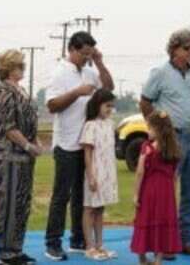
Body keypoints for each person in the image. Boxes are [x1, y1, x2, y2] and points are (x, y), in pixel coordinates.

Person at [45, 31, 114, 261]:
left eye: (89, 54)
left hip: (87, 143)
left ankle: (77, 239)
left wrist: (100, 62)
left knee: (82, 197)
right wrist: (76, 92)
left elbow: (109, 89)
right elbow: (52, 105)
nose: (86, 58)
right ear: (71, 50)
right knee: (61, 195)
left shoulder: (90, 71)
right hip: (65, 143)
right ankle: (53, 243)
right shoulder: (59, 73)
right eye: (83, 54)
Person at [139, 28, 190, 257]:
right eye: (187, 48)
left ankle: (185, 240)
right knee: (167, 192)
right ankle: (165, 244)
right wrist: (156, 129)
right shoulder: (160, 72)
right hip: (172, 137)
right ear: (174, 48)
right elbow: (145, 101)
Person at [0, 49, 43, 265]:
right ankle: (6, 252)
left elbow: (28, 121)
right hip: (8, 156)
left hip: (24, 157)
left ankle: (16, 248)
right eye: (20, 66)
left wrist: (35, 141)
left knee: (22, 202)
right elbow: (9, 127)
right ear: (9, 68)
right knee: (9, 203)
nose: (23, 69)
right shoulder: (5, 92)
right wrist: (29, 145)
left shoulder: (21, 91)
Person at [131, 111, 183, 265]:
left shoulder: (147, 148)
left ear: (158, 129)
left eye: (150, 128)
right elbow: (175, 177)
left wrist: (135, 194)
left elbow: (140, 172)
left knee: (144, 220)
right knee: (162, 224)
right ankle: (158, 259)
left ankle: (142, 258)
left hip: (149, 191)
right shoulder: (174, 150)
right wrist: (176, 198)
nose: (148, 132)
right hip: (166, 194)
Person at [80, 89, 119, 262]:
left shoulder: (110, 124)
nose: (110, 109)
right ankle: (89, 247)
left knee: (100, 208)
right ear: (97, 105)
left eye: (112, 106)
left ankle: (100, 245)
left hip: (107, 173)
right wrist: (91, 176)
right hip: (95, 172)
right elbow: (87, 153)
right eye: (107, 105)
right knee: (89, 208)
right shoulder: (90, 125)